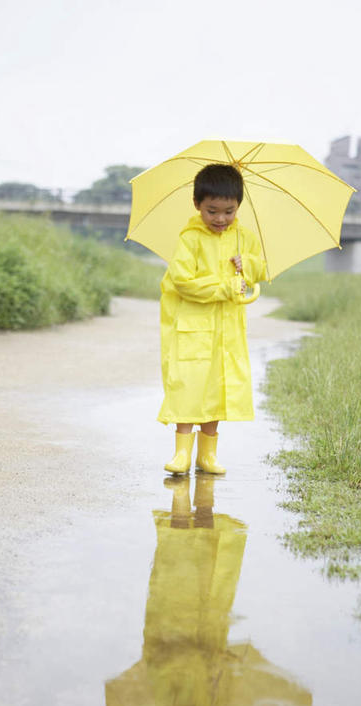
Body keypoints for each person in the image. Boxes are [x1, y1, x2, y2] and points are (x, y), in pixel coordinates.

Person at [158, 164, 267, 474]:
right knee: (188, 385)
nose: (220, 218)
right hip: (193, 328)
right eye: (212, 211)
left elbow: (259, 272)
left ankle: (207, 455)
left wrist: (248, 264)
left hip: (227, 328)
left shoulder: (244, 238)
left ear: (238, 207)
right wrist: (224, 286)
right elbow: (182, 281)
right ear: (197, 205)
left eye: (229, 211)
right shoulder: (190, 239)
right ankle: (181, 453)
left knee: (218, 388)